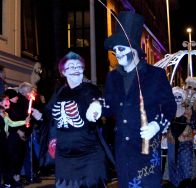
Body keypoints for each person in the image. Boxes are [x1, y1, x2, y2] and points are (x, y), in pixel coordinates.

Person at [87, 11, 176, 187]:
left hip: (147, 148)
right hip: (123, 149)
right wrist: (97, 105)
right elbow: (110, 104)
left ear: (133, 48)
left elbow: (169, 106)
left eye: (121, 49)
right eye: (115, 50)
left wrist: (157, 125)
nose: (117, 53)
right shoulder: (113, 77)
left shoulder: (155, 75)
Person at [44, 51, 112, 187]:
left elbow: (98, 99)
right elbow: (49, 113)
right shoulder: (59, 92)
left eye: (79, 66)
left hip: (88, 154)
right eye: (71, 66)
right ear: (63, 72)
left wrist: (96, 105)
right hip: (64, 155)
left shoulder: (89, 89)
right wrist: (38, 116)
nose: (76, 69)